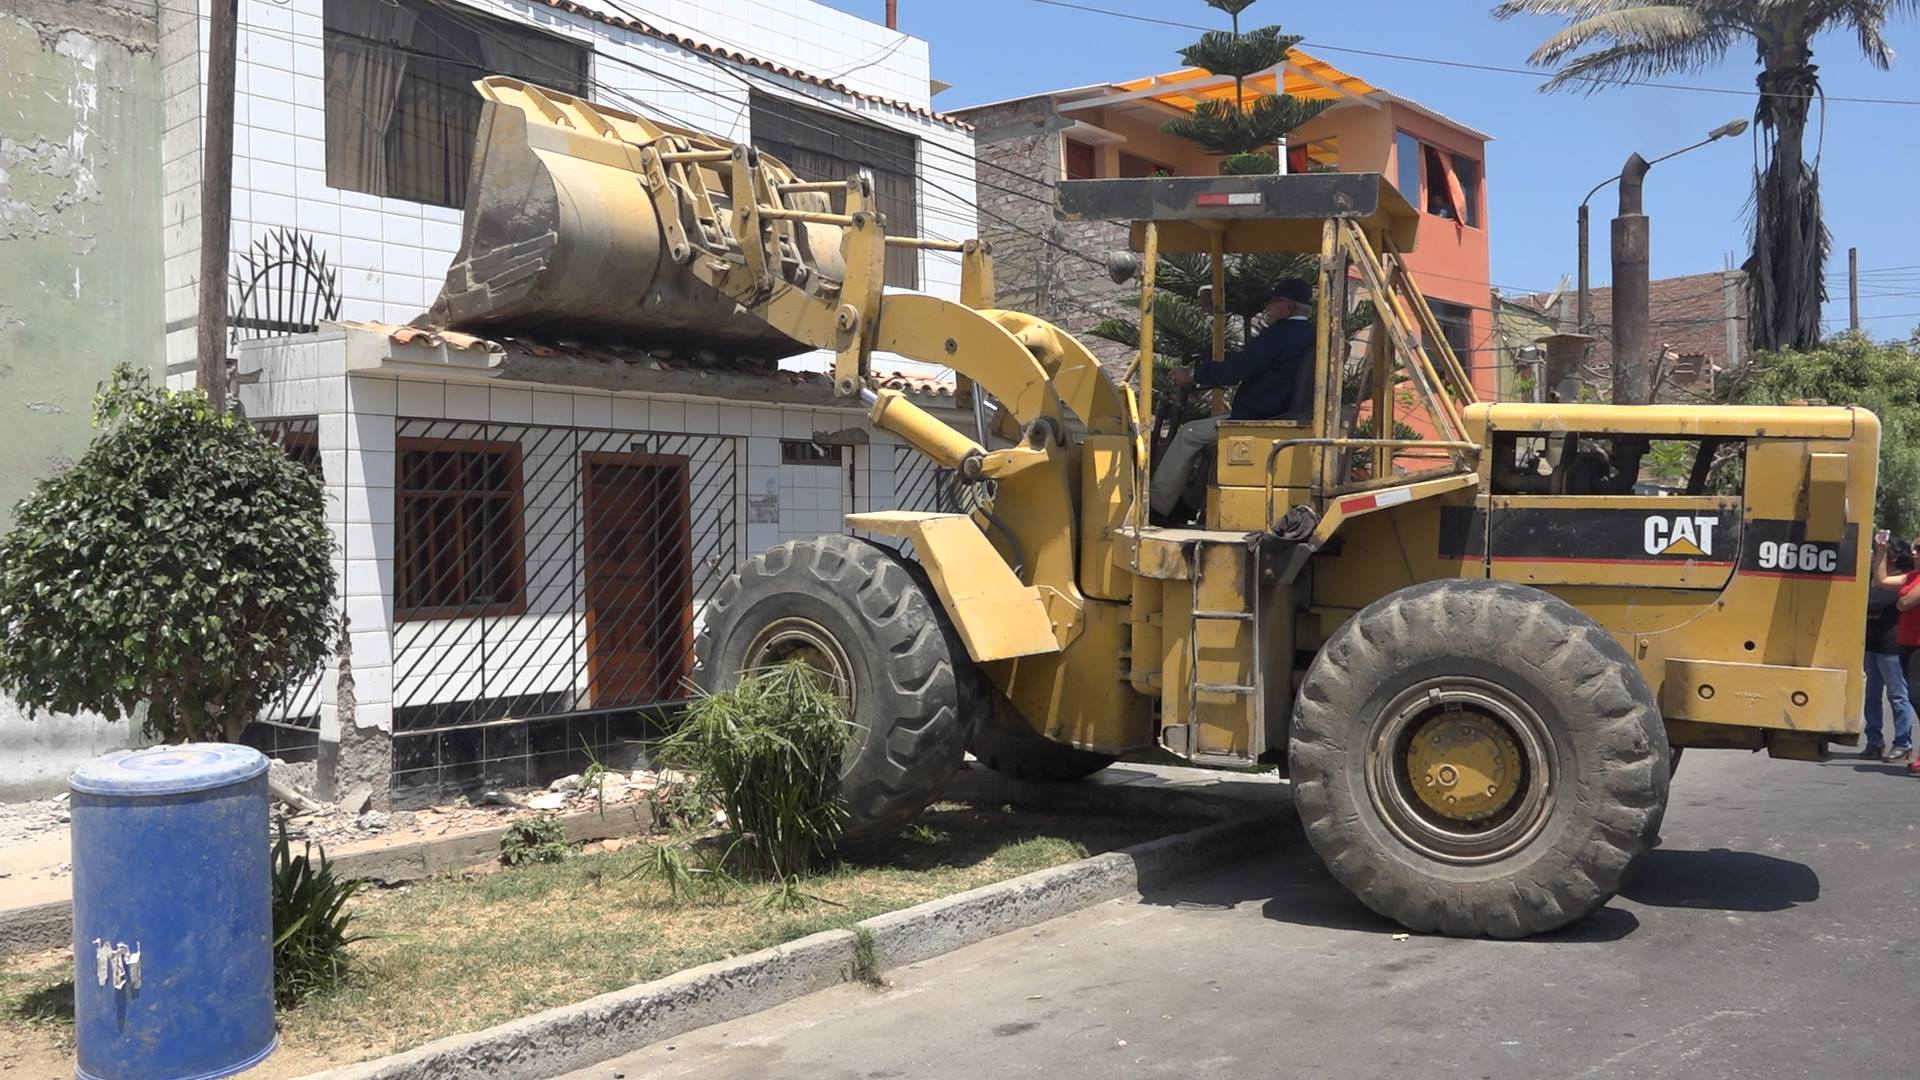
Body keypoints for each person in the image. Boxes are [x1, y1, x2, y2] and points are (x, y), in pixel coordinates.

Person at [1149, 279, 1316, 520]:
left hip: (1260, 415)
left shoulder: (1280, 335)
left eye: (1273, 302)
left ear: (1288, 307)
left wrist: (1193, 374)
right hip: (1281, 410)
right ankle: (1191, 505)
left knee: (1189, 433)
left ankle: (1156, 507)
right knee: (1209, 441)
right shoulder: (1311, 335)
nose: (1268, 308)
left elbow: (1237, 369)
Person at [1864, 532, 1917, 760]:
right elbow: (1879, 580)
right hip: (1873, 645)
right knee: (1871, 696)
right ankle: (1874, 741)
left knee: (1898, 696)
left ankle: (1903, 742)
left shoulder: (1905, 580)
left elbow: (1902, 604)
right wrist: (1880, 551)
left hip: (1893, 647)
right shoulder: (1879, 580)